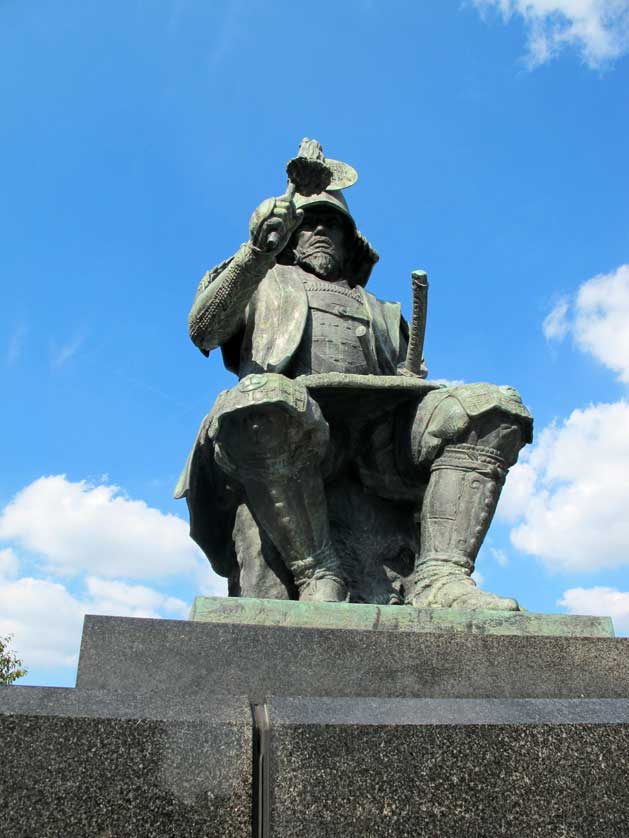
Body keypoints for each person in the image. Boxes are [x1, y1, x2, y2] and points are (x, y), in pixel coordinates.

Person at [175, 144, 532, 609]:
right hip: (300, 434)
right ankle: (317, 571)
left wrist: (413, 380)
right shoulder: (263, 279)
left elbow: (410, 385)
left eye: (333, 225)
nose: (321, 231)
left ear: (351, 242)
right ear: (289, 238)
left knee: (491, 406)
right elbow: (204, 330)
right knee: (263, 400)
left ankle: (441, 576)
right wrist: (256, 254)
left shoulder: (383, 310)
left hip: (380, 440)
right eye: (307, 225)